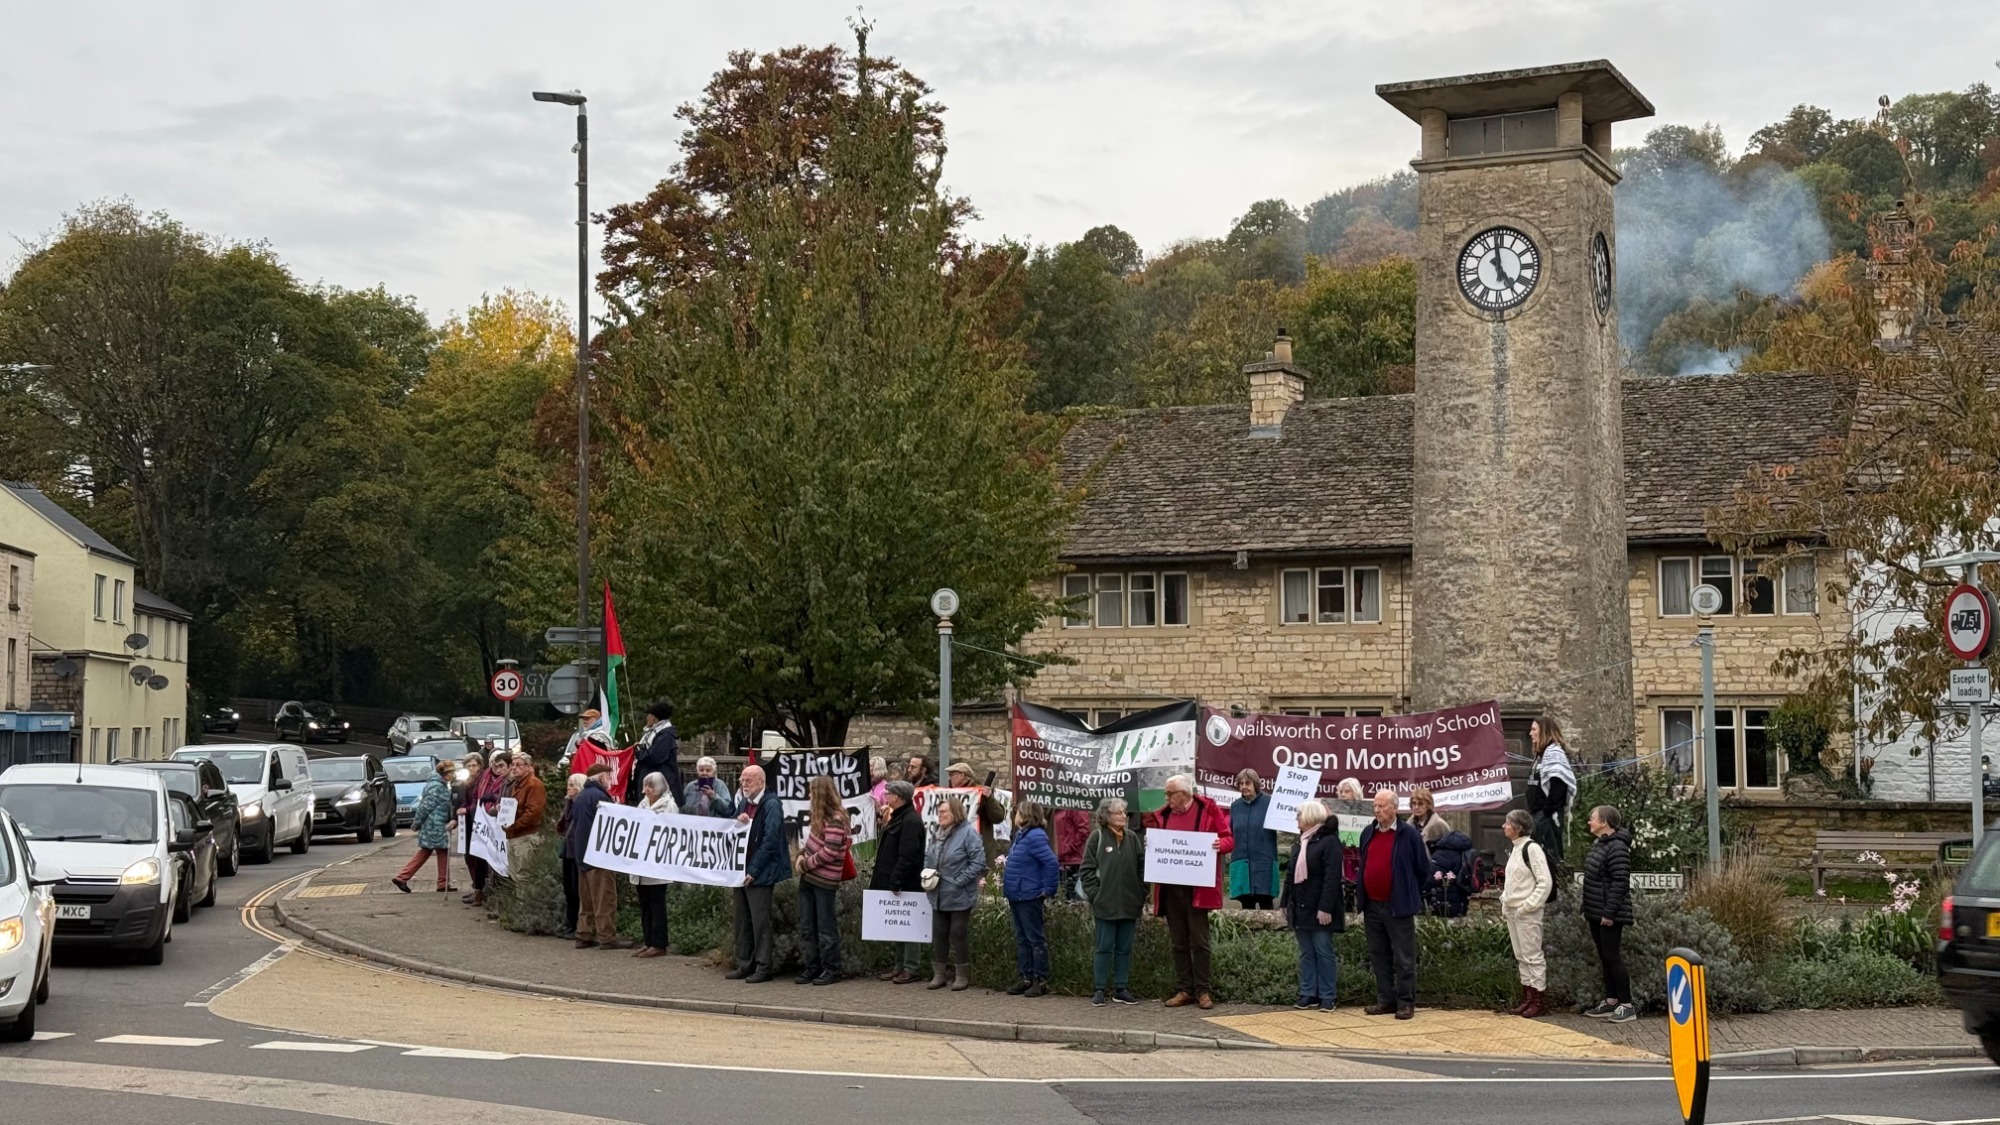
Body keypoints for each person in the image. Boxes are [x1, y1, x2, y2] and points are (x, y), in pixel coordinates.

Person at [1144, 774, 1233, 1010]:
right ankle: (1185, 989)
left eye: (1170, 793)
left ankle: (1203, 991)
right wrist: (1150, 844)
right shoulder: (1162, 814)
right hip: (1171, 889)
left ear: (1184, 794)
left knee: (1200, 941)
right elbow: (1153, 839)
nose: (1166, 798)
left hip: (1198, 889)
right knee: (1178, 942)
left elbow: (1228, 839)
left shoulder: (1208, 810)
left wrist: (1219, 845)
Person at [1357, 788, 1430, 1020]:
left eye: (1382, 806)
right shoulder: (1368, 832)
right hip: (1372, 906)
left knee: (1404, 957)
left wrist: (1408, 892)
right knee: (1379, 955)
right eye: (1375, 806)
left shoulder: (1408, 834)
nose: (1377, 810)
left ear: (1395, 808)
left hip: (1397, 905)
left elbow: (1423, 869)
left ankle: (1406, 1002)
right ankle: (1385, 1000)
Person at [1079, 796, 1144, 1006]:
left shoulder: (1132, 838)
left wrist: (1141, 892)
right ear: (1107, 816)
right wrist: (1096, 895)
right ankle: (1099, 989)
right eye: (1118, 813)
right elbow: (1086, 870)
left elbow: (1142, 867)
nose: (1123, 816)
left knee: (1124, 948)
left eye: (1124, 813)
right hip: (1105, 904)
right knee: (1104, 947)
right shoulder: (1097, 838)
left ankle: (1121, 988)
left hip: (1129, 903)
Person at [728, 764, 789, 983]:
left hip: (760, 873)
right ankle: (745, 963)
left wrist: (754, 870)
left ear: (761, 782)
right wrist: (738, 821)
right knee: (742, 920)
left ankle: (764, 967)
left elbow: (770, 840)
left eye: (748, 780)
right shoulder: (745, 803)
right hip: (741, 871)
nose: (744, 784)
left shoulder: (771, 805)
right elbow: (732, 828)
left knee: (760, 921)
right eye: (742, 780)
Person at [1281, 798, 1344, 1011]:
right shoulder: (1301, 842)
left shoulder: (1329, 842)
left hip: (1320, 908)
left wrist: (1325, 908)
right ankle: (1308, 992)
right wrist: (1284, 901)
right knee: (1307, 951)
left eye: (1299, 815)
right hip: (1300, 906)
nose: (1297, 819)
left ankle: (1328, 994)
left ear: (1309, 816)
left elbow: (1332, 878)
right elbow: (1290, 875)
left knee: (1323, 950)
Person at [793, 775, 852, 986]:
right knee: (808, 926)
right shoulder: (819, 818)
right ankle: (812, 966)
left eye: (811, 792)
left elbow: (830, 852)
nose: (809, 796)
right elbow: (811, 843)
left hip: (824, 881)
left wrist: (806, 863)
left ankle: (832, 968)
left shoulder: (837, 818)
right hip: (809, 878)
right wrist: (801, 853)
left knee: (825, 927)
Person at [1580, 804, 1635, 1023]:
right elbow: (1595, 878)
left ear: (1604, 822)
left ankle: (1627, 1005)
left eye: (1592, 818)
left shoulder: (1618, 847)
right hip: (1596, 910)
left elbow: (1620, 882)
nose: (1589, 822)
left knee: (1613, 956)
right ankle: (1611, 1001)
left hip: (1609, 912)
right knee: (1604, 957)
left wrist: (1609, 913)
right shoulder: (1600, 844)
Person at [924, 794, 985, 991]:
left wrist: (960, 880)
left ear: (955, 812)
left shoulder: (969, 833)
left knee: (957, 933)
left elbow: (978, 862)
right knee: (939, 932)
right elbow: (929, 856)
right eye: (939, 811)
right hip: (938, 892)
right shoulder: (937, 833)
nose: (939, 815)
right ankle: (939, 974)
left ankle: (961, 975)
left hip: (959, 893)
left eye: (943, 811)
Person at [868, 780, 927, 984]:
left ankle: (911, 966)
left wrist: (897, 880)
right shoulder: (899, 818)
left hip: (906, 884)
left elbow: (908, 855)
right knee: (898, 926)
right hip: (896, 881)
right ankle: (899, 964)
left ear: (899, 797)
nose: (886, 796)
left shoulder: (910, 821)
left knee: (909, 925)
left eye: (890, 793)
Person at [566, 762, 629, 949]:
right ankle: (607, 936)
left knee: (586, 901)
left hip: (582, 855)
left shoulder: (582, 796)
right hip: (598, 856)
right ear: (601, 777)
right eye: (608, 777)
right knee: (605, 899)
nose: (610, 780)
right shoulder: (599, 797)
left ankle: (584, 934)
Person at [1498, 808, 1554, 1018]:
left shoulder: (1531, 849)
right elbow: (1513, 881)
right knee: (1521, 956)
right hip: (1513, 911)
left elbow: (1544, 882)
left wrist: (1528, 906)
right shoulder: (1515, 848)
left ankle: (1538, 1000)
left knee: (1532, 956)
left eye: (1507, 823)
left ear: (1518, 828)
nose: (1504, 826)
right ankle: (1528, 998)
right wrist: (1506, 901)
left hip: (1527, 912)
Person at [1001, 799, 1059, 997]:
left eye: (1017, 813)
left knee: (1035, 939)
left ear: (1025, 816)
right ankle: (1026, 977)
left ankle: (1039, 979)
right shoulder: (1020, 836)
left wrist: (1048, 889)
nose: (1014, 816)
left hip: (1029, 894)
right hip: (1017, 894)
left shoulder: (1035, 836)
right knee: (1022, 938)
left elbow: (1051, 862)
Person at [391, 759, 458, 893]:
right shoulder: (437, 787)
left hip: (433, 824)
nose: (453, 775)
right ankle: (441, 883)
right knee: (439, 851)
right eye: (451, 772)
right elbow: (425, 807)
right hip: (435, 825)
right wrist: (416, 823)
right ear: (444, 773)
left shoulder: (438, 784)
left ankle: (404, 877)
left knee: (428, 851)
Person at [628, 772, 676, 958]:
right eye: (646, 785)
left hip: (657, 865)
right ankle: (647, 941)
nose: (647, 789)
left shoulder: (668, 806)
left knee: (657, 904)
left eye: (651, 786)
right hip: (640, 863)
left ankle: (659, 943)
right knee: (645, 904)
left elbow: (669, 830)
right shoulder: (642, 804)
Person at [1525, 715, 1578, 873]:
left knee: (1549, 859)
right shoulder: (1541, 755)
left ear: (1544, 731)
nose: (1530, 733)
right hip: (1537, 814)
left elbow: (1558, 786)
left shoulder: (1554, 753)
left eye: (1534, 729)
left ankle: (1555, 893)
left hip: (1547, 817)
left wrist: (1546, 812)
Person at [1227, 768, 1279, 910]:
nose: (1244, 786)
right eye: (1241, 783)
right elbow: (1230, 832)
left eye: (1247, 783)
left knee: (1266, 904)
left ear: (1255, 784)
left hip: (1264, 863)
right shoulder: (1235, 806)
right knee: (1246, 906)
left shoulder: (1270, 803)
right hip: (1242, 863)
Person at [629, 701, 681, 806]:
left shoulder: (666, 736)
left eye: (648, 715)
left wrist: (639, 751)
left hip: (660, 787)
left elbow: (652, 757)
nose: (646, 718)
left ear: (655, 718)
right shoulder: (655, 733)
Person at [503, 751, 547, 873]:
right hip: (514, 835)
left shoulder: (534, 784)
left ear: (528, 767)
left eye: (518, 765)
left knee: (524, 876)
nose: (514, 768)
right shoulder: (517, 784)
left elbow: (533, 812)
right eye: (512, 765)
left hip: (525, 837)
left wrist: (514, 826)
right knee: (515, 875)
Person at [554, 773, 585, 937]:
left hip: (576, 852)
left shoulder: (581, 804)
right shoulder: (569, 804)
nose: (569, 787)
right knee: (568, 889)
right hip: (567, 850)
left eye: (572, 784)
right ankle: (570, 923)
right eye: (568, 784)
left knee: (576, 889)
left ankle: (578, 925)